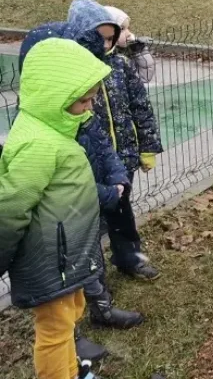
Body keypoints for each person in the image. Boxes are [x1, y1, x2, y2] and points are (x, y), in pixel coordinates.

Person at [19, 0, 147, 361]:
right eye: (99, 40)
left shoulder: (80, 107)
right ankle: (70, 340)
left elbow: (101, 141)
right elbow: (62, 187)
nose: (105, 48)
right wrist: (106, 192)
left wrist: (117, 173)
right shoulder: (42, 136)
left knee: (89, 250)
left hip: (90, 191)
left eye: (109, 39)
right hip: (61, 220)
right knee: (67, 269)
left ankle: (101, 308)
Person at [0, 38, 112, 379]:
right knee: (55, 327)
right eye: (83, 101)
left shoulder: (54, 130)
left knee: (70, 314)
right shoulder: (37, 144)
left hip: (66, 256)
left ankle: (73, 372)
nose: (90, 108)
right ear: (55, 97)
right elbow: (10, 207)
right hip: (49, 258)